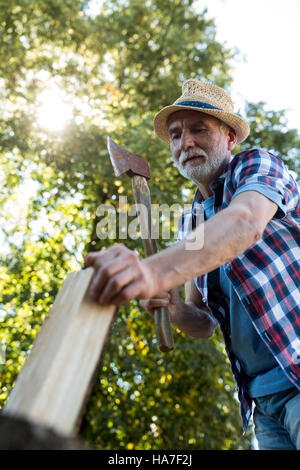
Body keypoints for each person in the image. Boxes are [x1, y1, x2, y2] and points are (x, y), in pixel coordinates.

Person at [85, 79, 300, 450]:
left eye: (199, 129)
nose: (185, 142)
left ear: (230, 137)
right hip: (262, 405)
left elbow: (244, 222)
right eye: (175, 134)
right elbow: (203, 323)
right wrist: (172, 305)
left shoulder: (256, 167)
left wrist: (151, 272)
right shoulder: (192, 223)